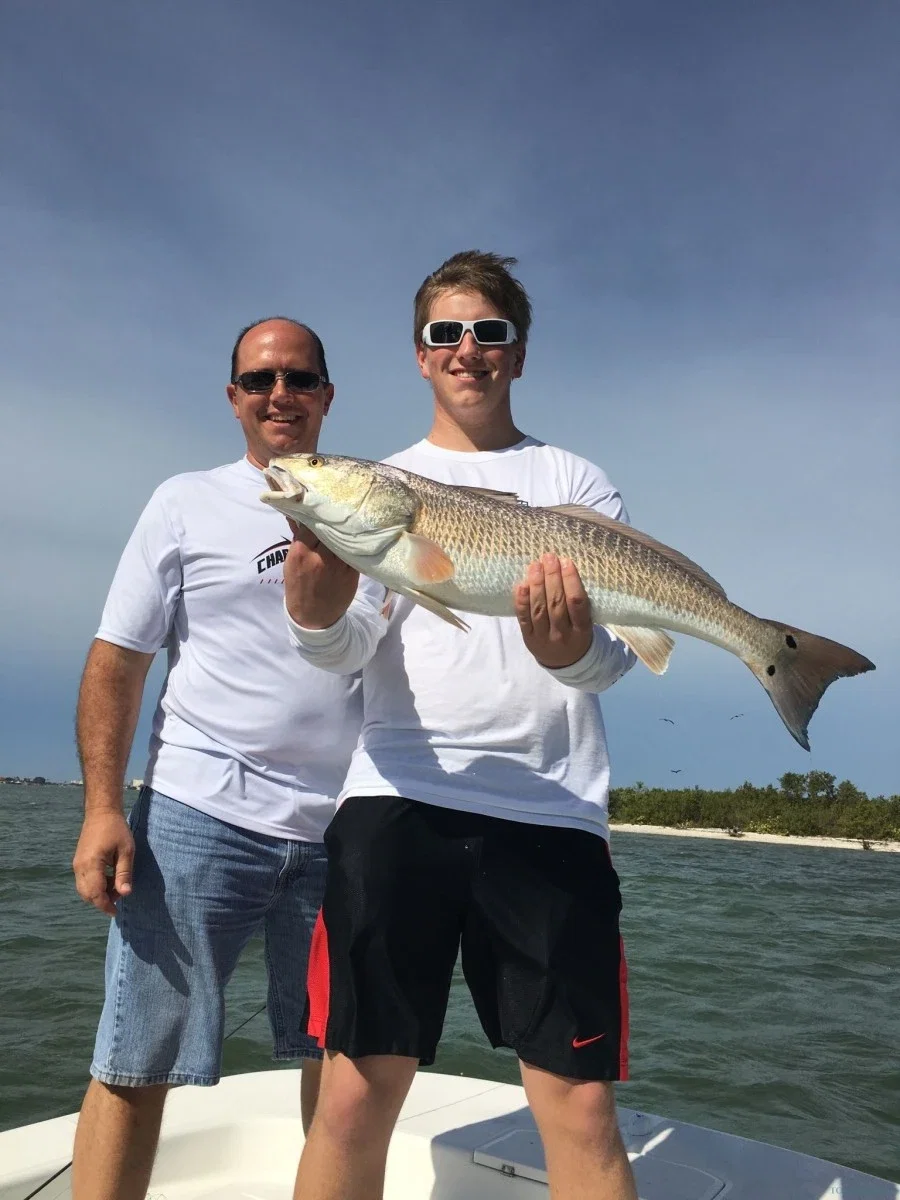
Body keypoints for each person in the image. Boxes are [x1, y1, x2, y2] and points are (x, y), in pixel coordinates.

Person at [284, 253, 640, 1200]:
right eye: (446, 332)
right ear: (419, 353)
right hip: (398, 798)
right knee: (352, 1098)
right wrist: (314, 615)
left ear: (518, 354)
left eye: (490, 332)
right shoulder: (379, 485)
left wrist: (569, 652)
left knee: (583, 1110)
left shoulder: (573, 479)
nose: (467, 349)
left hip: (553, 808)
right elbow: (346, 649)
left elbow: (610, 661)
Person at [70, 317, 381, 1200]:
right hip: (196, 816)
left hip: (345, 829)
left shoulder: (378, 505)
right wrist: (101, 810)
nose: (280, 395)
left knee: (342, 1067)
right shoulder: (185, 501)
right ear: (234, 396)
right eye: (260, 380)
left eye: (300, 379)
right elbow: (118, 660)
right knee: (136, 1058)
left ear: (328, 395)